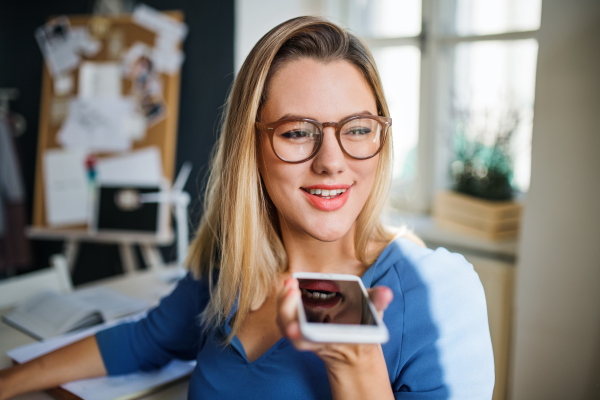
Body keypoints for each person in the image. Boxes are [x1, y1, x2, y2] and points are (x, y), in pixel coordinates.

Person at [0, 16, 494, 400]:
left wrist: (356, 366)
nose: (331, 161)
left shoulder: (437, 292)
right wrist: (10, 380)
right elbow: (146, 340)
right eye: (298, 132)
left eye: (358, 128)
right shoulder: (231, 260)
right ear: (250, 148)